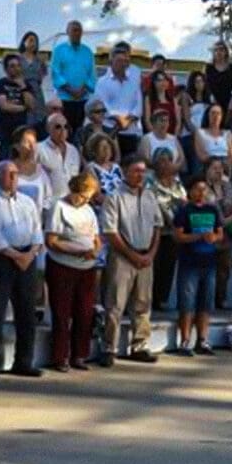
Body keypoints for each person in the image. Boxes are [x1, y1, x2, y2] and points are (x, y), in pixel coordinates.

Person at [0, 160, 45, 382]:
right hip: (1, 259)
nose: (14, 178)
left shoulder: (27, 201)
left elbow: (37, 230)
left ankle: (24, 362)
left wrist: (30, 253)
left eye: (15, 174)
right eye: (8, 174)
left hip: (27, 258)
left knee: (26, 312)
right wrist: (16, 256)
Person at [102, 156, 163, 365]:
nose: (141, 175)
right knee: (115, 304)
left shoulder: (150, 196)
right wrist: (132, 255)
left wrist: (151, 254)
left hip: (146, 256)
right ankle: (109, 348)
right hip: (122, 256)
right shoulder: (114, 197)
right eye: (136, 171)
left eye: (143, 171)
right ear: (125, 172)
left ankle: (140, 345)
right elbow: (111, 232)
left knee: (143, 303)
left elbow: (157, 226)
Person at [44, 172, 103, 371]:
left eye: (88, 197)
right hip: (63, 266)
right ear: (74, 190)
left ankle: (80, 355)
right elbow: (52, 241)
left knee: (85, 312)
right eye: (82, 196)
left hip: (86, 268)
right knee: (62, 313)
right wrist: (78, 250)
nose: (85, 200)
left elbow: (96, 237)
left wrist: (94, 250)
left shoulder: (88, 210)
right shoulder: (59, 207)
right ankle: (60, 357)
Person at [171, 177, 223, 355]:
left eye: (204, 190)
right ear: (190, 191)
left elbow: (220, 233)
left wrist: (213, 238)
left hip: (209, 263)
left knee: (205, 303)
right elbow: (178, 235)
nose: (201, 193)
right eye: (197, 189)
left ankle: (202, 340)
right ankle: (185, 341)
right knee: (187, 303)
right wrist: (198, 237)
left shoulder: (213, 210)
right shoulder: (184, 211)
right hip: (189, 262)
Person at [149, 149, 187, 311]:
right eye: (161, 160)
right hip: (155, 230)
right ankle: (150, 299)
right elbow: (154, 203)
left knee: (168, 266)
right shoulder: (149, 181)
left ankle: (162, 299)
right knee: (154, 266)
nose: (164, 164)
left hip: (173, 232)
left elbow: (184, 201)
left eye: (167, 160)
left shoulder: (177, 182)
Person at [94, 41, 144, 159]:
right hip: (110, 129)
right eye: (119, 61)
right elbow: (102, 105)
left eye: (125, 61)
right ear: (111, 62)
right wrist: (119, 119)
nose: (123, 64)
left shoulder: (133, 81)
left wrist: (130, 118)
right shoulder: (102, 82)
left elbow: (138, 105)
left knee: (130, 164)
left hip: (131, 130)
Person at [203, 158, 232, 311]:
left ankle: (221, 299)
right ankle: (205, 301)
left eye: (220, 168)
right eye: (214, 168)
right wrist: (226, 218)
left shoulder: (227, 186)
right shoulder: (204, 188)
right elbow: (210, 210)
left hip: (226, 236)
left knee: (224, 269)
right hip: (209, 233)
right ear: (207, 170)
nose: (218, 171)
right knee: (207, 269)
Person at [51, 21, 97, 132]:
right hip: (64, 99)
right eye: (74, 30)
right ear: (67, 32)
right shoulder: (59, 50)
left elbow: (92, 74)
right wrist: (70, 90)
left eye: (79, 30)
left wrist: (83, 88)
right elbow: (55, 73)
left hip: (83, 99)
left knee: (79, 130)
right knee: (64, 129)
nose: (77, 33)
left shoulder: (87, 51)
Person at [37, 111, 83, 200]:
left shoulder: (73, 150)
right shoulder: (38, 149)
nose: (63, 131)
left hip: (71, 203)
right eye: (58, 127)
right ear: (48, 128)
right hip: (50, 203)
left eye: (65, 127)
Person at [193, 105, 232, 170]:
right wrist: (215, 162)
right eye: (213, 113)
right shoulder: (200, 132)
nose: (215, 116)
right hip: (208, 164)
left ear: (222, 117)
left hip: (224, 165)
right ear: (207, 115)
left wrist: (224, 164)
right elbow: (201, 155)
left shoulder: (227, 133)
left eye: (218, 113)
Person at [204, 39, 232, 119]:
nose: (219, 52)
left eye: (221, 49)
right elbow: (205, 85)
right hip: (212, 100)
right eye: (216, 50)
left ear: (226, 51)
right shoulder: (209, 67)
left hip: (228, 101)